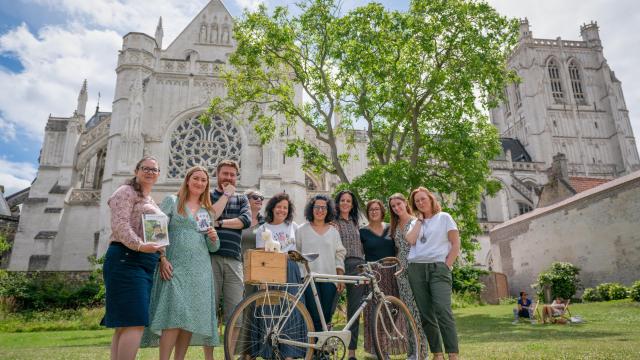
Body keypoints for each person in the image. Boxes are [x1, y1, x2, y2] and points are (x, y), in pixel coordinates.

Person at [141, 166, 231, 360]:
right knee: (173, 315)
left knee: (189, 319)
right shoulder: (171, 201)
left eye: (203, 180)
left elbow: (212, 248)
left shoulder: (207, 211)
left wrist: (214, 238)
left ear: (207, 185)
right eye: (196, 178)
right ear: (188, 180)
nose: (199, 183)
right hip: (174, 266)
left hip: (200, 270)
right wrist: (162, 258)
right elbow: (155, 228)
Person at [103, 156, 166, 360]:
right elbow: (120, 226)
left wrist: (161, 254)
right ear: (136, 170)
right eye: (145, 168)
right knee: (135, 321)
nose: (150, 172)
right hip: (125, 258)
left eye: (154, 170)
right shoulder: (125, 192)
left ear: (158, 174)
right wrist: (140, 245)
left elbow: (156, 236)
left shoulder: (149, 200)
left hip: (144, 262)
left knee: (125, 323)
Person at [405, 187, 460, 360]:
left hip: (438, 268)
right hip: (416, 269)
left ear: (431, 199)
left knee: (443, 310)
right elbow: (411, 240)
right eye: (417, 201)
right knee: (426, 314)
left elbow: (455, 244)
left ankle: (453, 354)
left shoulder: (444, 218)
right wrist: (420, 221)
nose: (421, 202)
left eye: (423, 199)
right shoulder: (415, 223)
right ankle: (437, 354)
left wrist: (446, 265)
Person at [204, 159, 251, 358]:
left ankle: (229, 356)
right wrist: (225, 196)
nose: (229, 178)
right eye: (225, 174)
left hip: (234, 260)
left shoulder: (242, 199)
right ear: (217, 174)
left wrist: (220, 223)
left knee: (236, 315)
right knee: (209, 313)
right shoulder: (208, 195)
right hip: (210, 258)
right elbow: (209, 216)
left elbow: (245, 221)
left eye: (232, 175)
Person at [253, 192, 304, 359]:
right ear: (272, 208)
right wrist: (262, 280)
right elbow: (261, 256)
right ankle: (272, 353)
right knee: (272, 311)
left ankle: (290, 354)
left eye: (285, 207)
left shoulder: (294, 227)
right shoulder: (263, 229)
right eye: (279, 206)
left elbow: (300, 250)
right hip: (270, 271)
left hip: (291, 270)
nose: (282, 210)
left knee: (291, 311)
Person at [296, 194, 346, 333]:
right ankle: (316, 351)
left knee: (327, 316)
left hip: (330, 279)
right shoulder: (301, 230)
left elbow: (339, 254)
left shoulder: (334, 232)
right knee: (315, 317)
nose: (320, 210)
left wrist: (340, 276)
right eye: (317, 207)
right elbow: (296, 253)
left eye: (323, 207)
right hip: (309, 280)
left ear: (328, 210)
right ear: (311, 209)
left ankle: (323, 351)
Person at [388, 193, 428, 360]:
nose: (397, 208)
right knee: (408, 313)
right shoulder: (395, 224)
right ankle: (413, 352)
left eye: (399, 204)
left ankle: (422, 353)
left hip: (415, 269)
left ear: (405, 203)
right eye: (393, 206)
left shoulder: (415, 221)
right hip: (401, 272)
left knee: (418, 313)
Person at [360, 199, 401, 357]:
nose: (374, 212)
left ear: (382, 211)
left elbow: (399, 248)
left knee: (392, 310)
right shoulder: (362, 232)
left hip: (391, 273)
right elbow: (359, 254)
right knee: (374, 312)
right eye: (371, 210)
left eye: (377, 209)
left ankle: (385, 345)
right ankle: (377, 349)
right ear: (368, 212)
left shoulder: (392, 229)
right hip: (373, 275)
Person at [333, 190, 365, 360]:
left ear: (352, 205)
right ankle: (324, 346)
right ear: (337, 203)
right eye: (342, 200)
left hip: (358, 266)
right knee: (330, 306)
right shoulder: (332, 221)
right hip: (339, 265)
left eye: (348, 201)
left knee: (354, 310)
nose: (345, 203)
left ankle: (351, 352)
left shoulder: (354, 222)